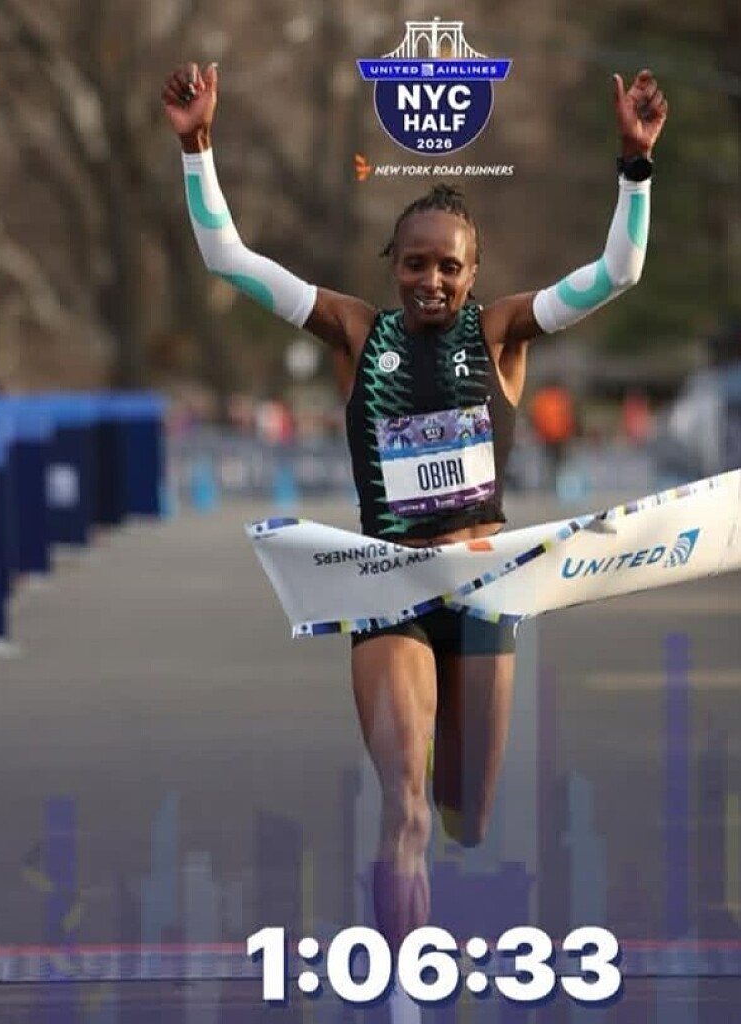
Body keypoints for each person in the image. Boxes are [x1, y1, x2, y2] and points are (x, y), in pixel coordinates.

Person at [163, 60, 666, 1021]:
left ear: (473, 275)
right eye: (413, 263)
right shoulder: (356, 334)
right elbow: (228, 258)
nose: (430, 280)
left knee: (463, 814)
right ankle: (403, 992)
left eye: (448, 267)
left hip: (483, 589)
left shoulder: (504, 334)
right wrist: (197, 148)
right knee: (401, 804)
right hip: (387, 585)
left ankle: (440, 809)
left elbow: (619, 274)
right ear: (390, 265)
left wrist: (634, 166)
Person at [528, 379, 578, 490]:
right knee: (557, 463)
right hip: (557, 437)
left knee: (550, 463)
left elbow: (536, 418)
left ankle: (551, 485)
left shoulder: (543, 398)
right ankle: (557, 485)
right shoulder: (561, 398)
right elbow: (569, 417)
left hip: (549, 437)